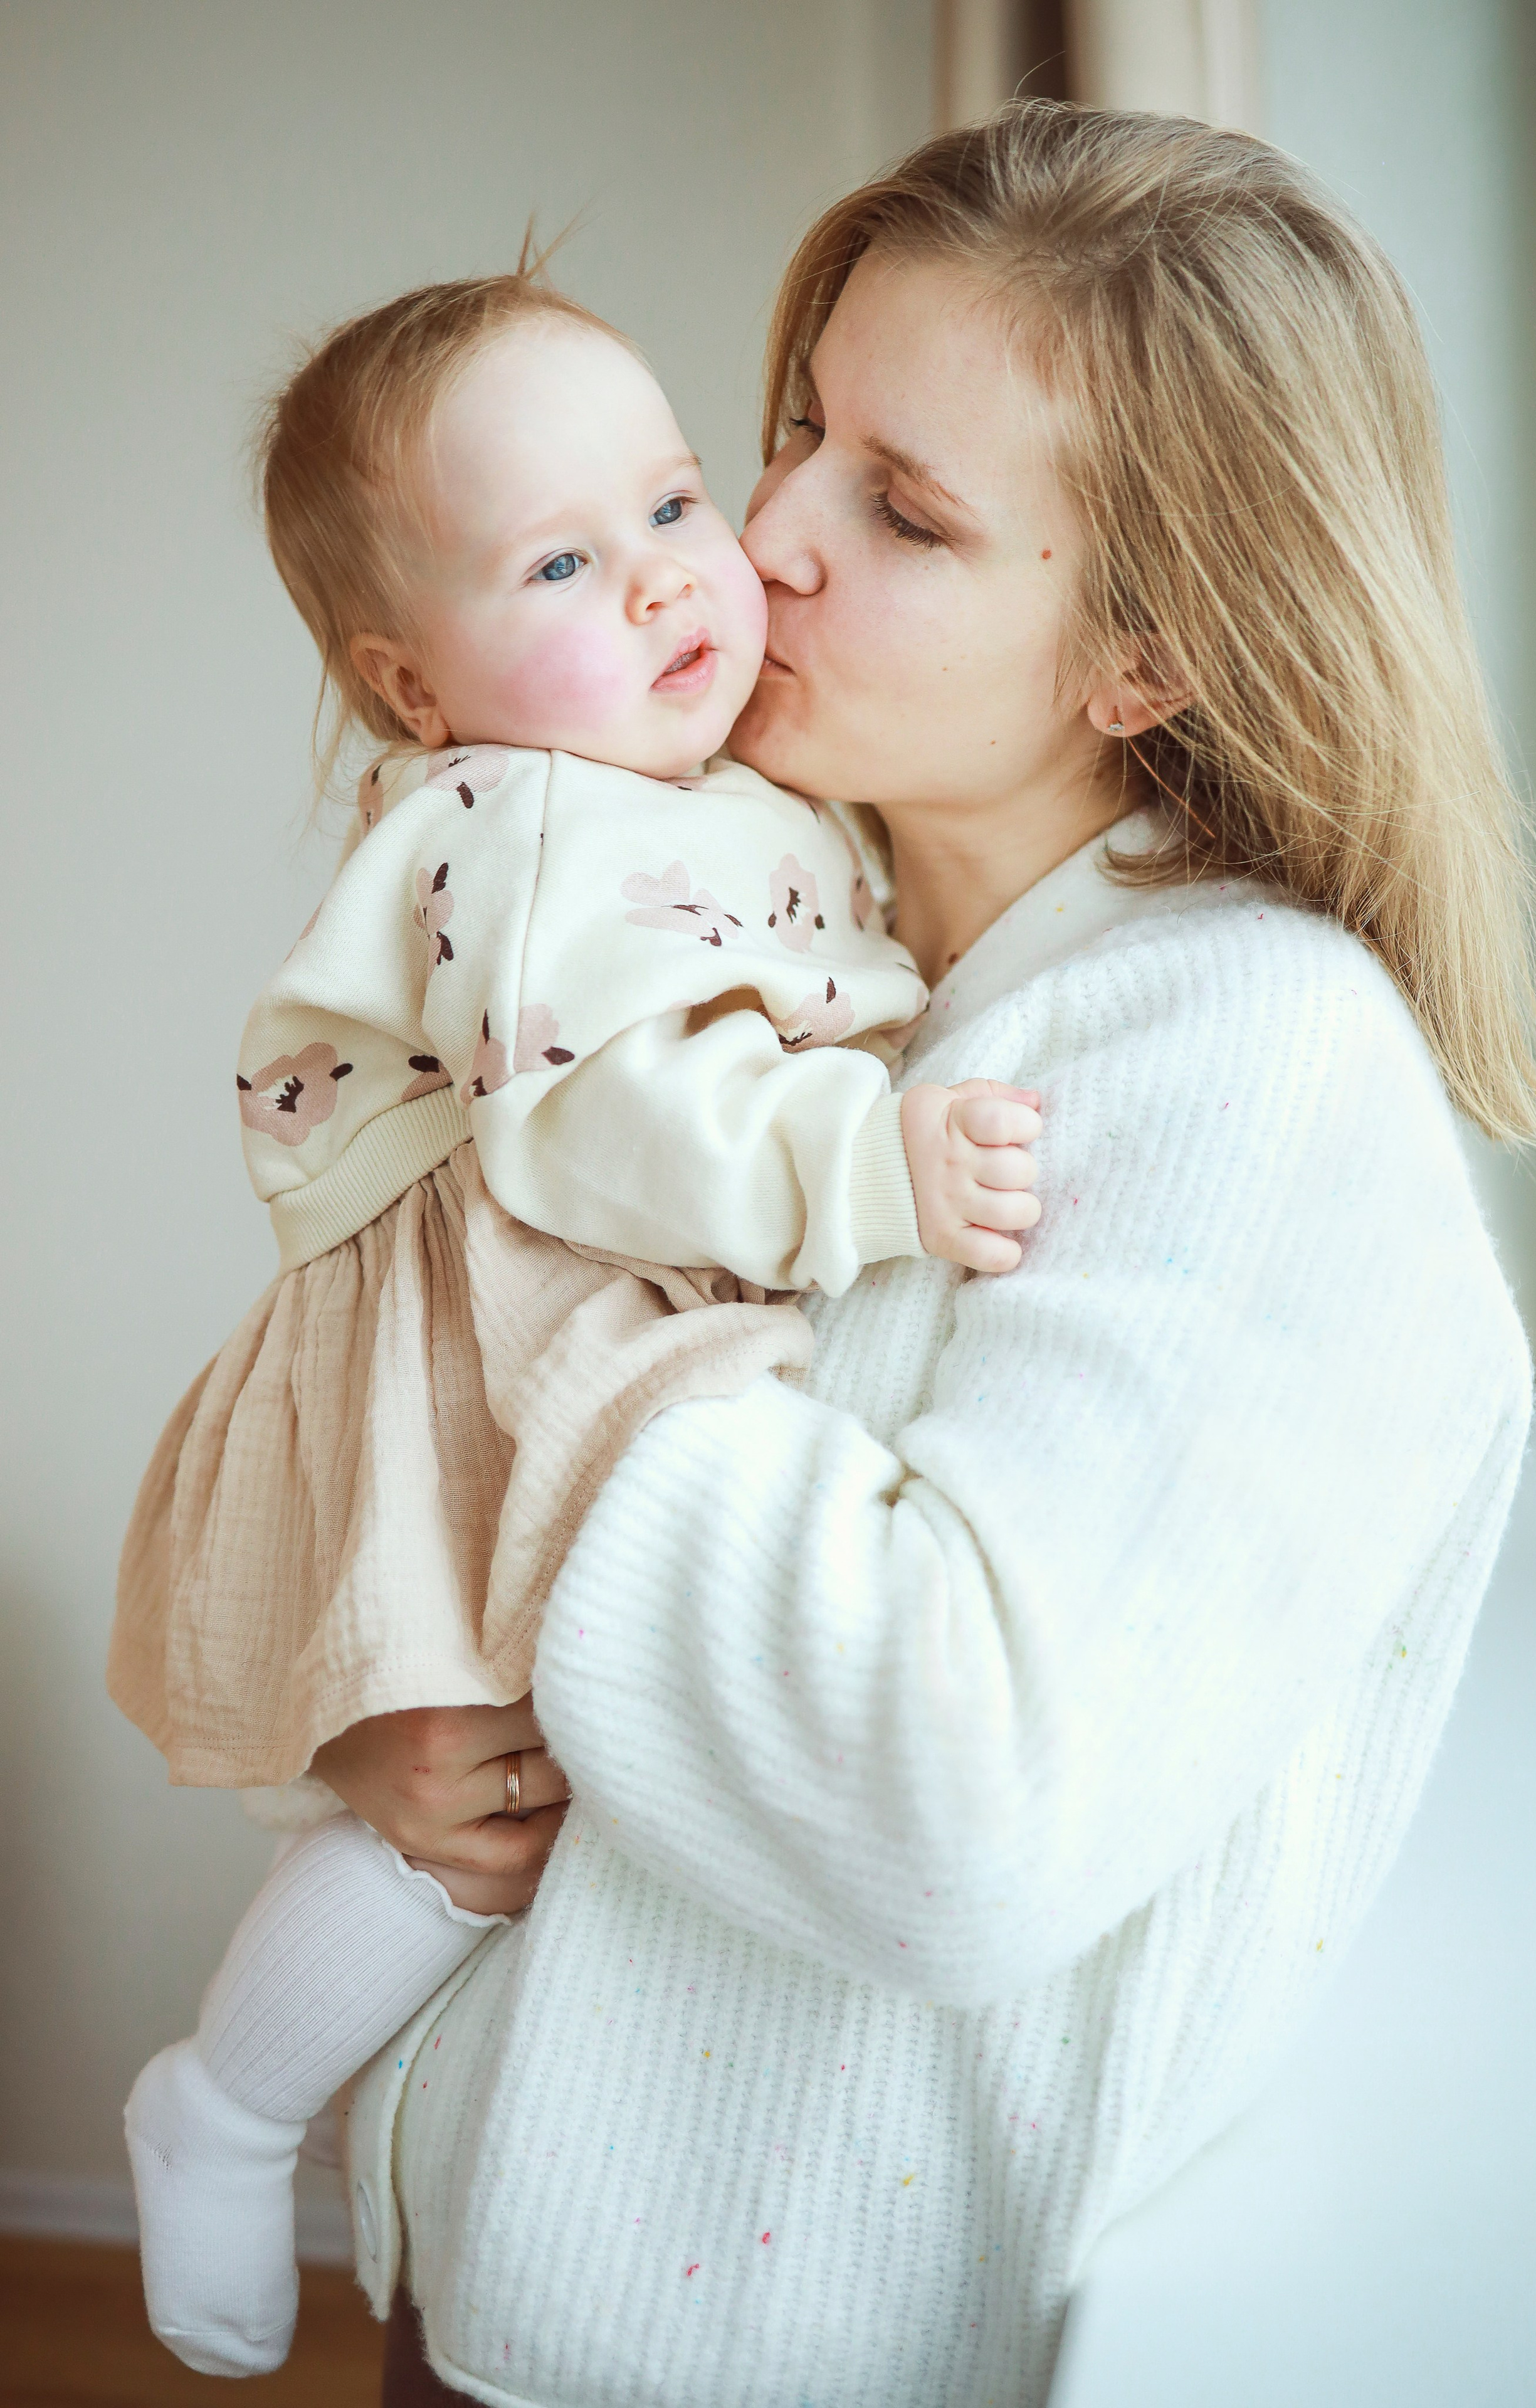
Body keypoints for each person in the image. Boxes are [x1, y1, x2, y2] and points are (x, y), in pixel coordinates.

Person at [315, 102, 1536, 2408]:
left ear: (1145, 662)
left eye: (904, 510)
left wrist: (528, 1313)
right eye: (800, 429)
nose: (762, 535)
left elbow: (951, 1806)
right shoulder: (829, 989)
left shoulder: (1255, 1065)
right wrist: (423, 1728)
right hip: (511, 2289)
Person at [108, 271, 1043, 2377]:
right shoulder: (524, 826)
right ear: (411, 684)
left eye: (673, 502)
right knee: (483, 1810)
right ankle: (230, 2103)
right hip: (490, 1332)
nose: (662, 578)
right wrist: (868, 1162)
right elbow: (598, 1113)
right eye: (556, 562)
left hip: (585, 1303)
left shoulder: (707, 794)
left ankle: (254, 2106)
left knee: (500, 1814)